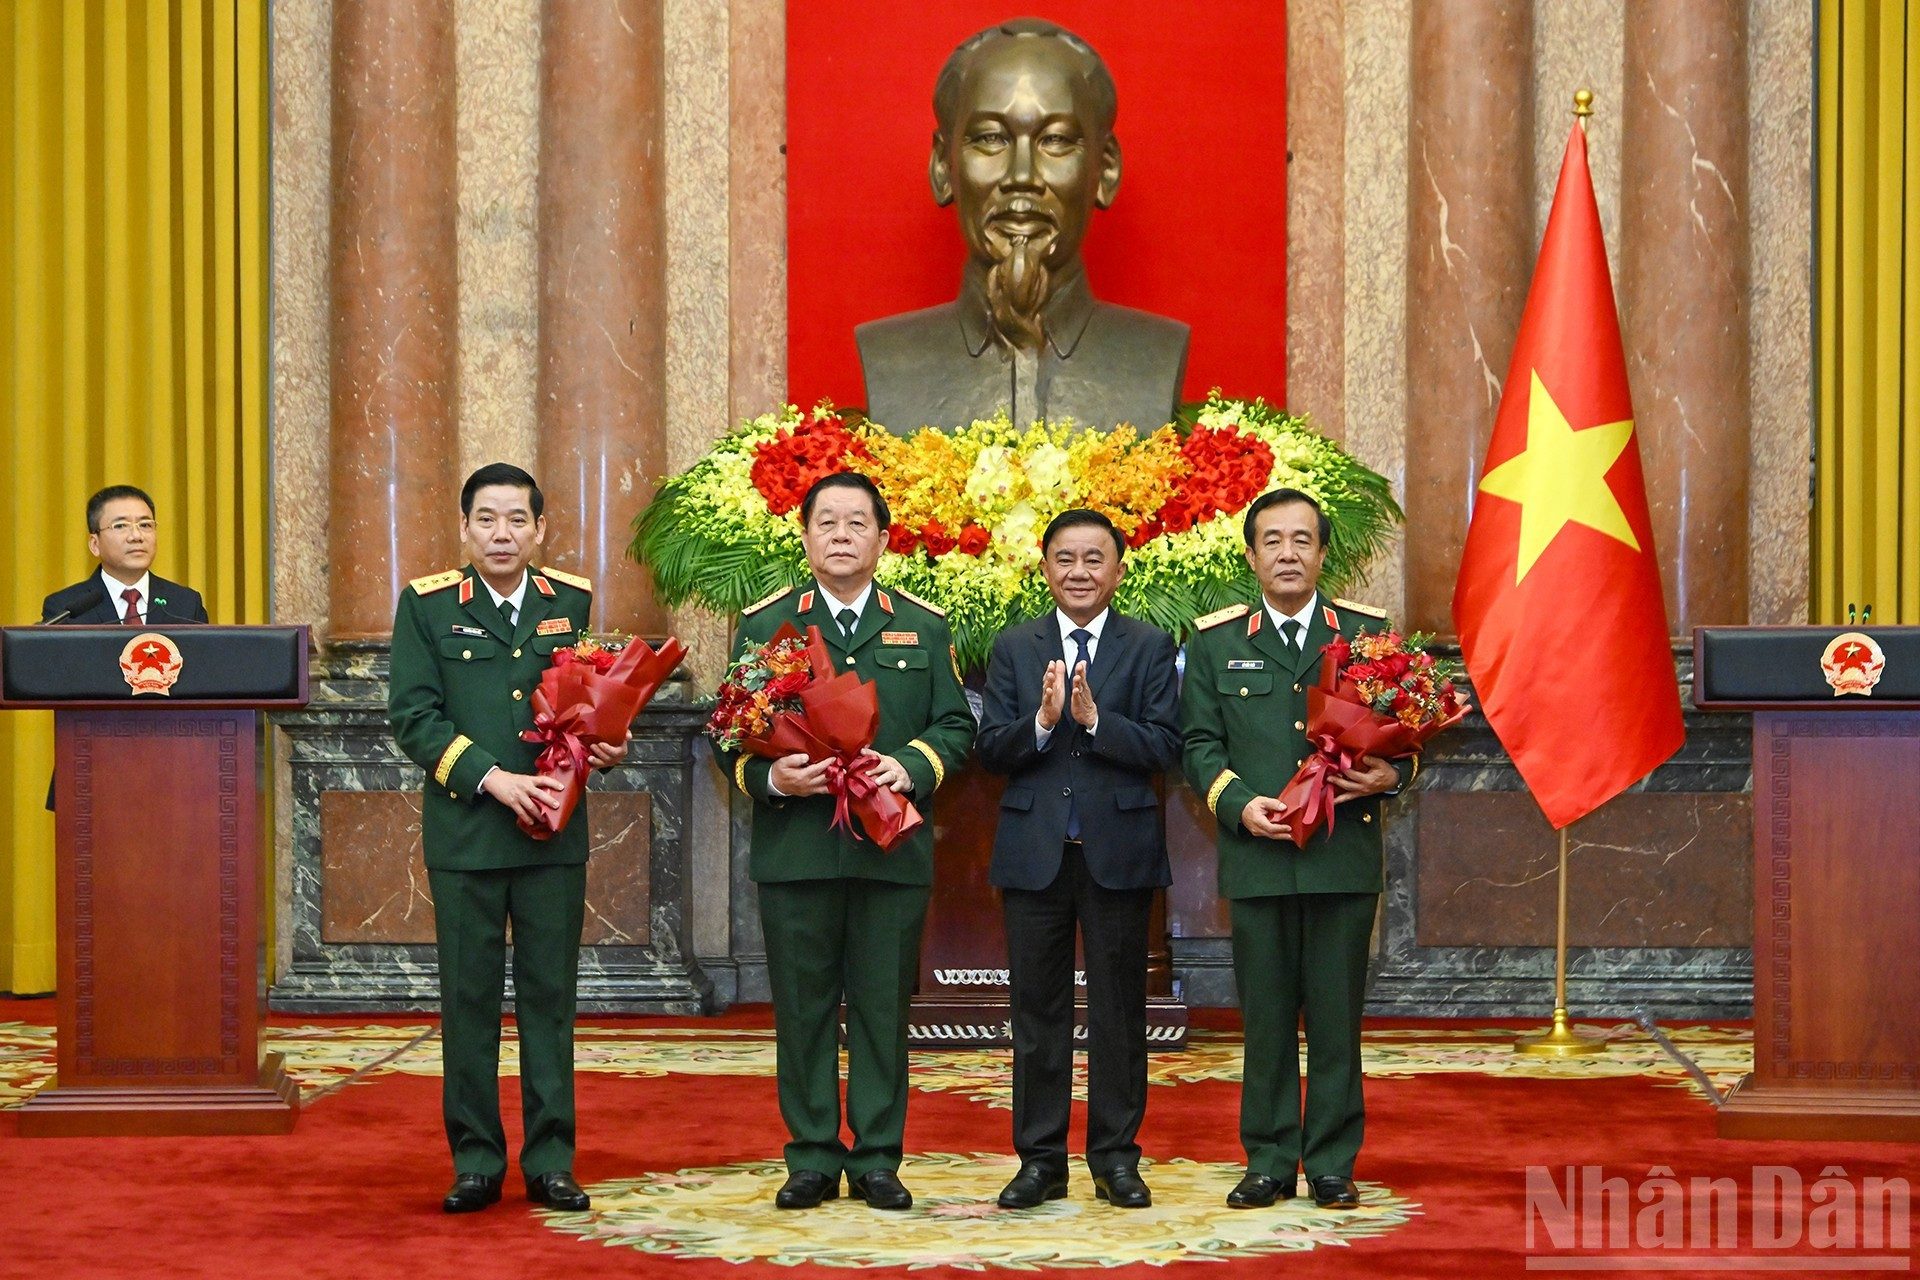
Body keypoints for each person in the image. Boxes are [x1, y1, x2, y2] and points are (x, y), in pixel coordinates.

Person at [716, 472, 975, 1211]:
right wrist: (775, 781)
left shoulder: (921, 626)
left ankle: (879, 1158)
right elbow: (726, 733)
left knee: (882, 1007)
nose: (839, 534)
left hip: (889, 850)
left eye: (855, 523)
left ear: (882, 541)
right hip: (798, 848)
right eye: (825, 522)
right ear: (804, 538)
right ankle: (810, 1157)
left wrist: (913, 765)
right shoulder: (769, 625)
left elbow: (956, 725)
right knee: (801, 1007)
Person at [387, 463, 628, 1215]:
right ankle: (476, 1161)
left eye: (517, 519)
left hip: (553, 836)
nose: (502, 533)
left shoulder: (571, 600)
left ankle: (552, 1159)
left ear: (541, 528)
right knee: (469, 1000)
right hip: (468, 832)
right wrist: (495, 779)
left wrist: (605, 742)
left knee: (551, 1000)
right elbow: (415, 718)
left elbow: (585, 703)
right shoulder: (426, 606)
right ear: (465, 529)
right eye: (487, 519)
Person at [1179, 488, 1409, 1212]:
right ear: (1251, 556)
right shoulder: (1216, 641)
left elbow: (1406, 734)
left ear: (1321, 553)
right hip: (1261, 857)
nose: (1287, 553)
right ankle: (1271, 1160)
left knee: (1337, 1018)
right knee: (1267, 1019)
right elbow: (1198, 746)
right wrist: (1239, 806)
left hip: (1342, 857)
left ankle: (1334, 1162)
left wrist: (1393, 773)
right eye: (1272, 540)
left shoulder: (1368, 636)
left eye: (1301, 540)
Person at [975, 509, 1181, 1210]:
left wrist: (1096, 722)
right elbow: (990, 751)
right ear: (1045, 569)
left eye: (1095, 559)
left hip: (1117, 854)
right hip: (1036, 855)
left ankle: (1116, 1159)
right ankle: (1040, 1162)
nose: (1080, 572)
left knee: (1120, 1013)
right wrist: (1040, 721)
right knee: (1038, 1014)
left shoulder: (1151, 646)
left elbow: (1165, 747)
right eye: (1066, 559)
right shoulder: (1014, 646)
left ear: (1119, 571)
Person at [856, 17, 1188, 432]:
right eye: (991, 138)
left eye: (1056, 140)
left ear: (1104, 170)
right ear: (944, 167)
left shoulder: (1157, 354)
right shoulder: (890, 358)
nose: (1022, 176)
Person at [41, 485, 208, 625]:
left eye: (145, 525)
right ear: (94, 544)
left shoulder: (185, 603)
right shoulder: (65, 609)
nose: (136, 536)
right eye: (120, 526)